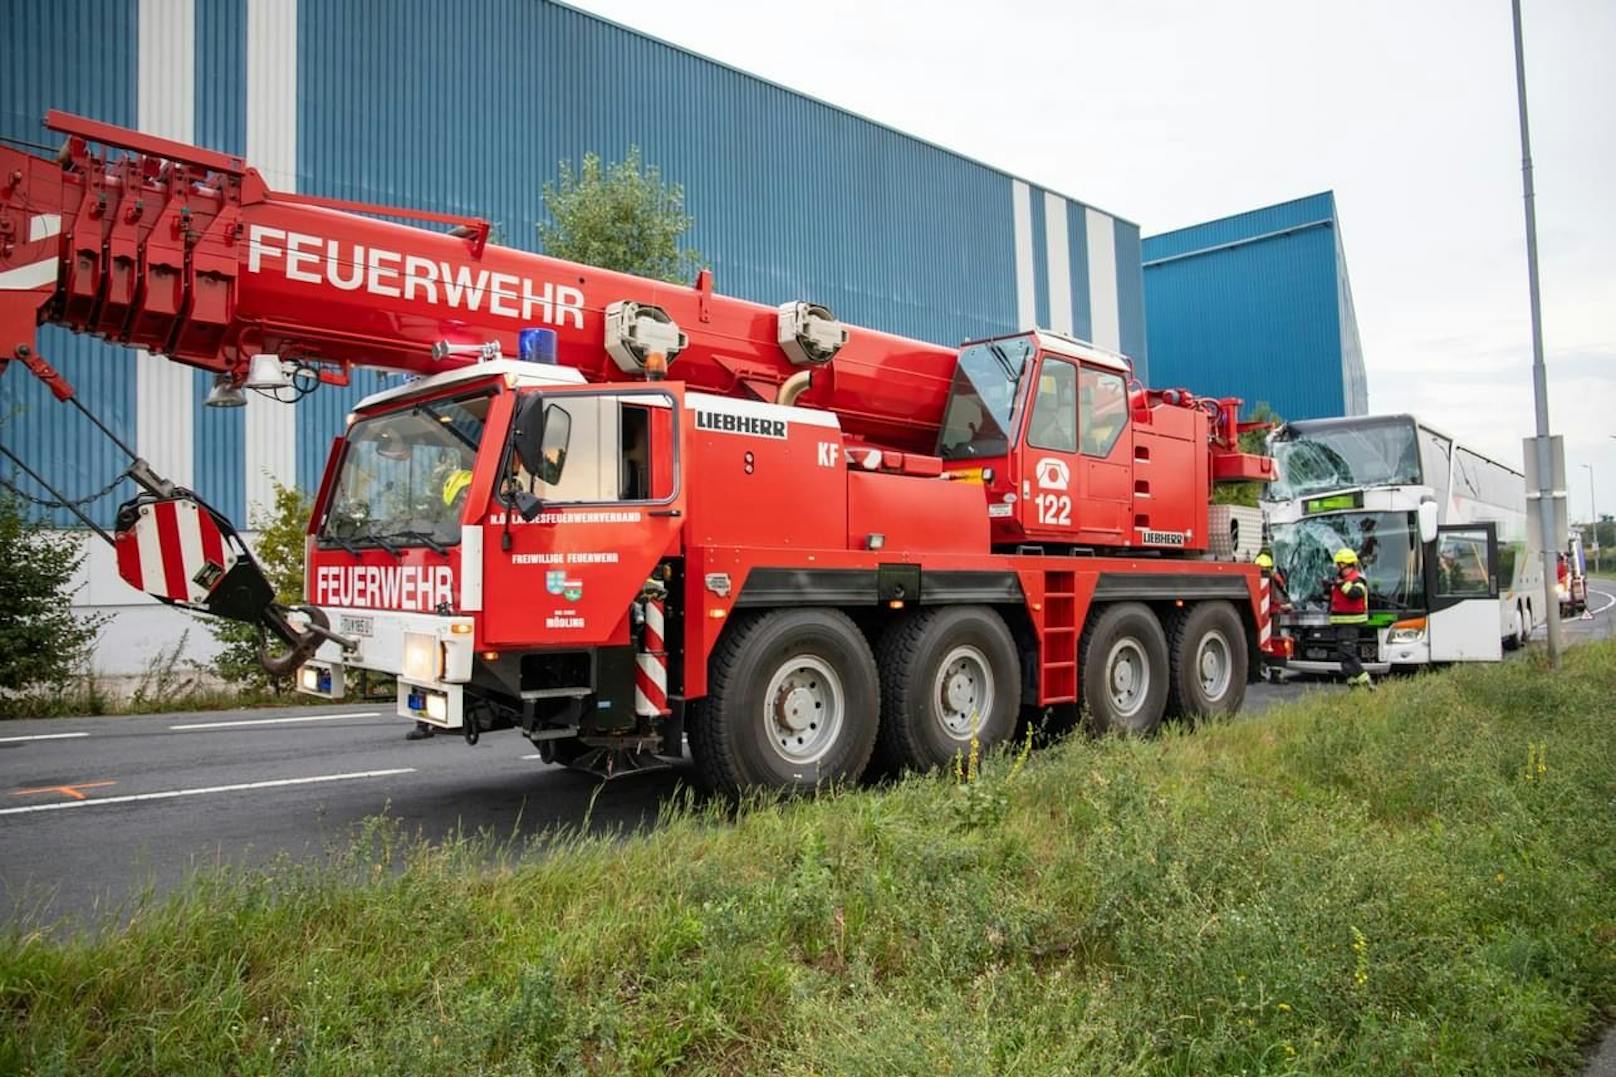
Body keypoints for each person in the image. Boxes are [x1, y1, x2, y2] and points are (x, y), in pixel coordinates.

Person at [1326, 547, 1374, 689]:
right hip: (1340, 624)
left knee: (1348, 654)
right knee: (1343, 657)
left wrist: (1342, 585)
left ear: (1347, 564)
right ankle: (1353, 686)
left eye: (1339, 564)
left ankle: (1367, 684)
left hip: (1350, 624)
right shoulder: (1343, 580)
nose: (1338, 567)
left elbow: (1356, 593)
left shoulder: (1357, 579)